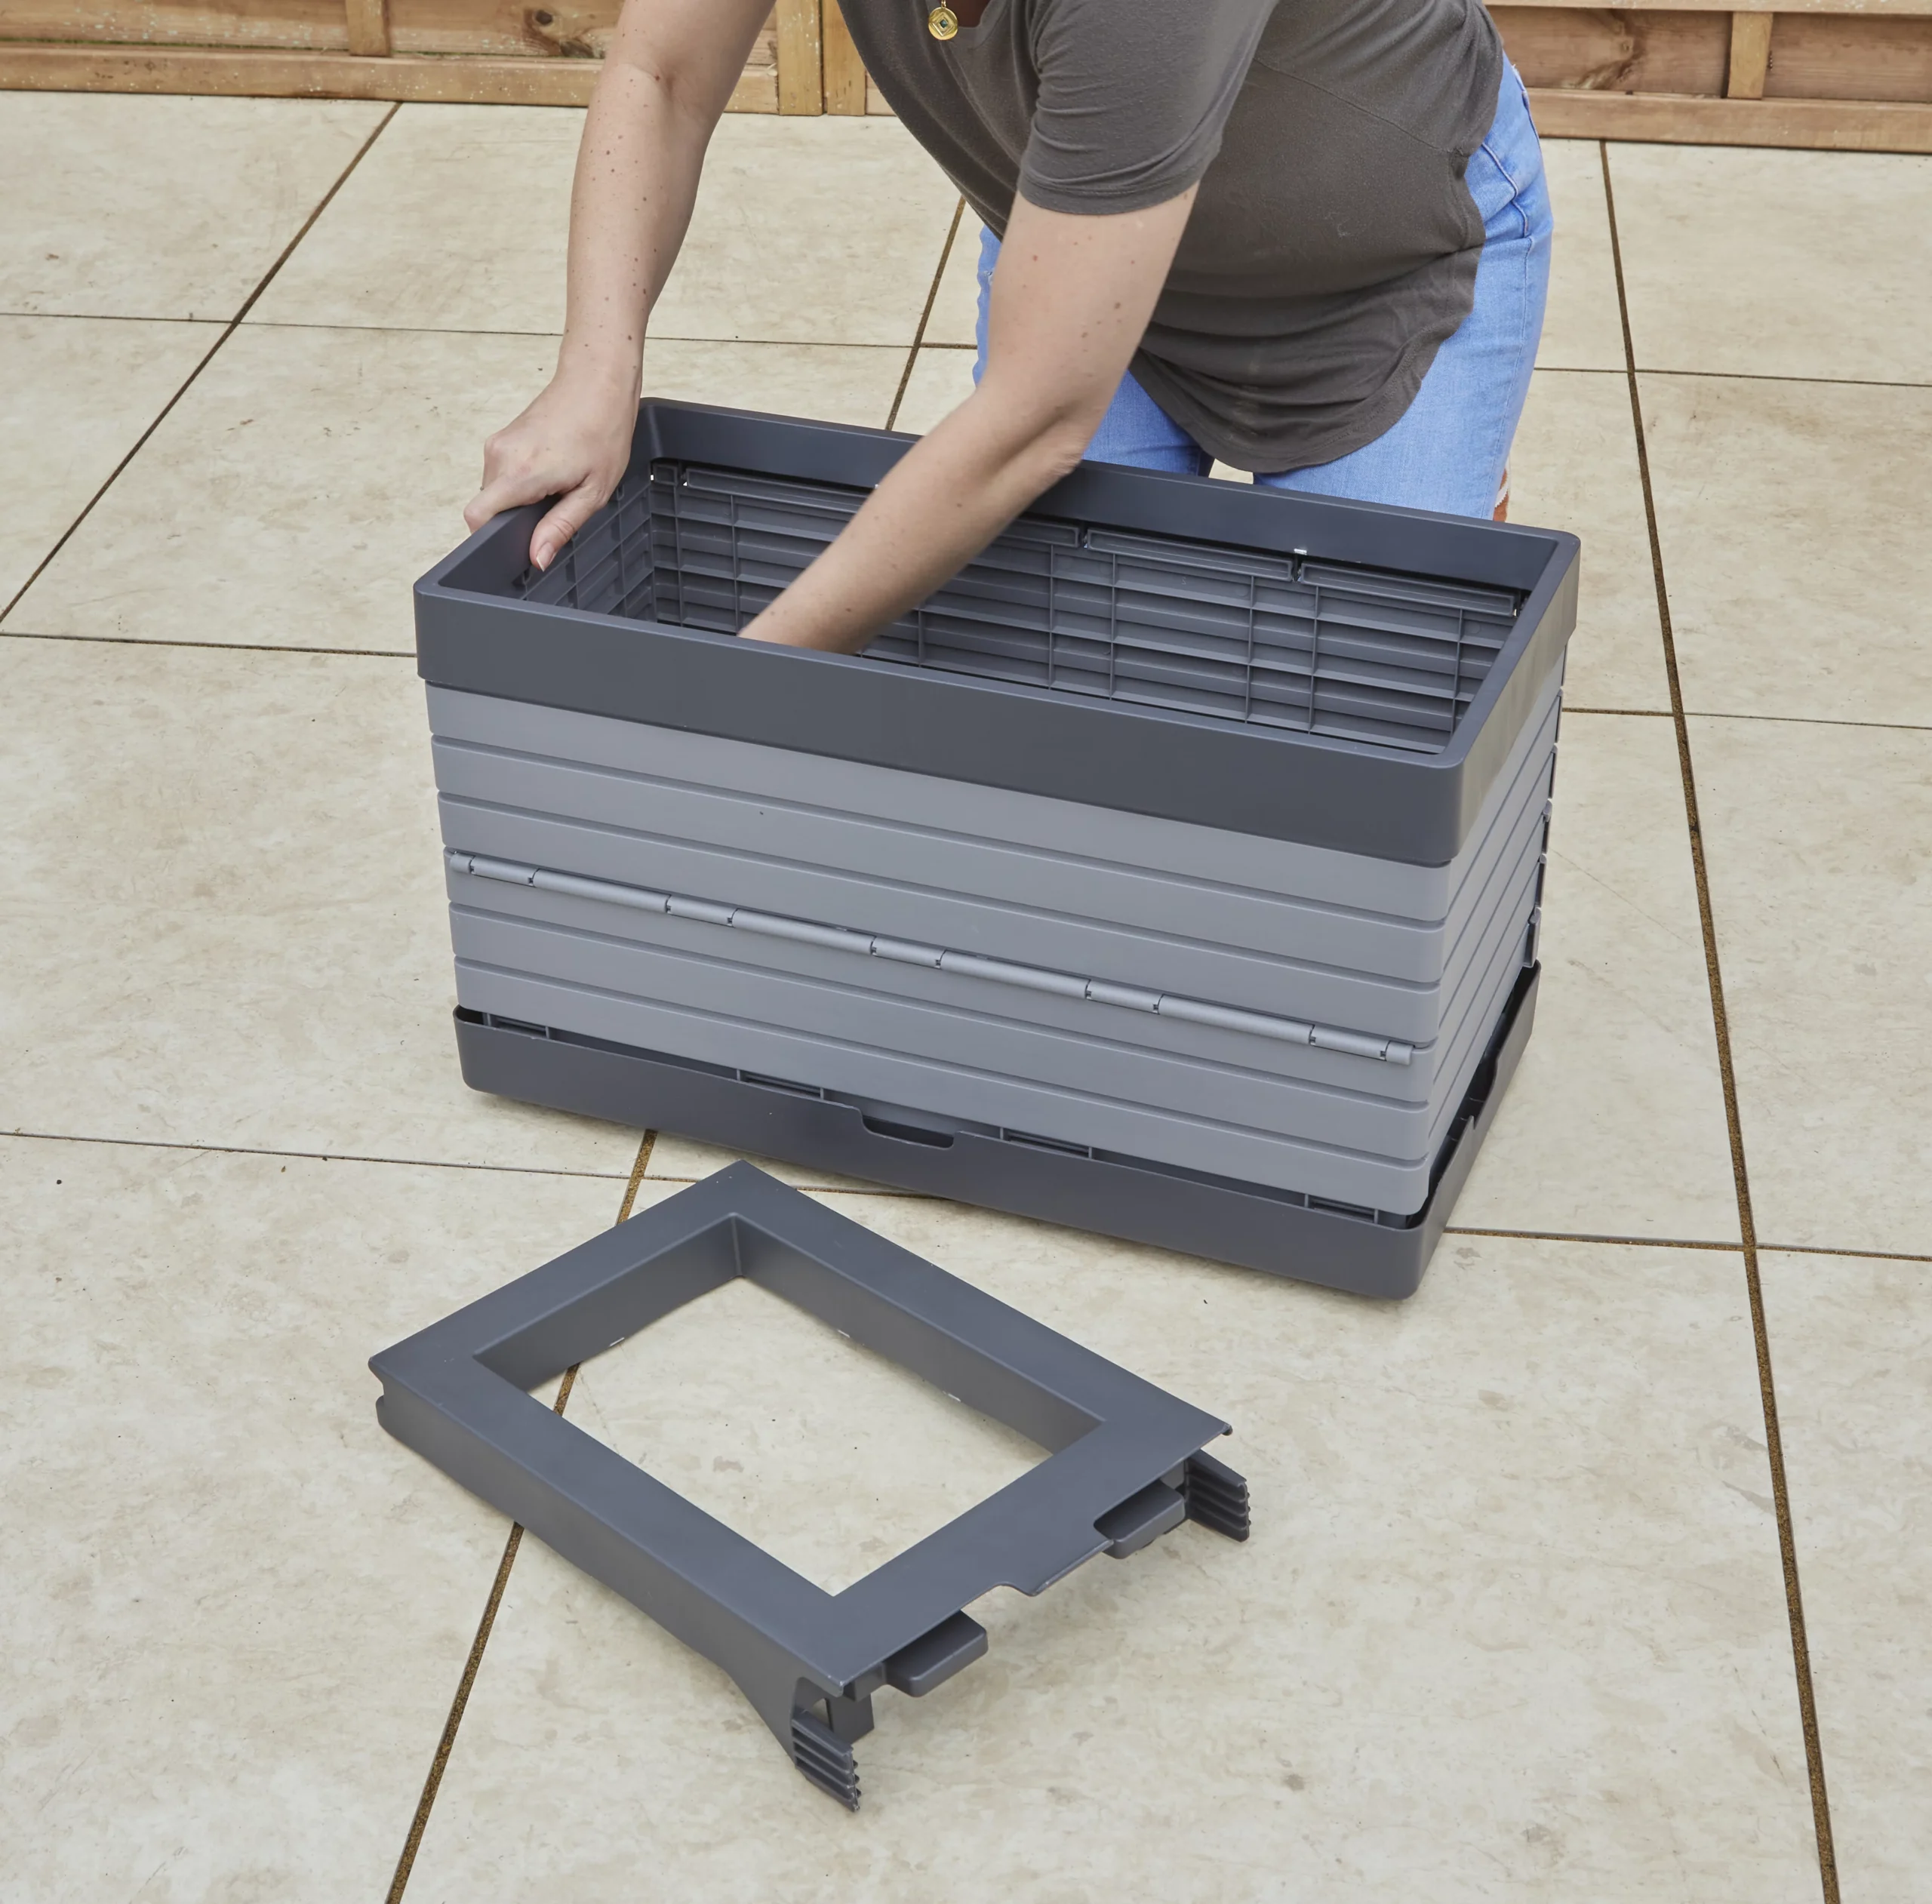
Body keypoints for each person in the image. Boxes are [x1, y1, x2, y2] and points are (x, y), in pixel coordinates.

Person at [466, 0, 1552, 656]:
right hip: (1084, 252)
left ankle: (1454, 486)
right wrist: (593, 372)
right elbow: (661, 75)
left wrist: (742, 685)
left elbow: (1036, 421)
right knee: (1065, 671)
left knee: (1363, 691)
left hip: (1374, 265)